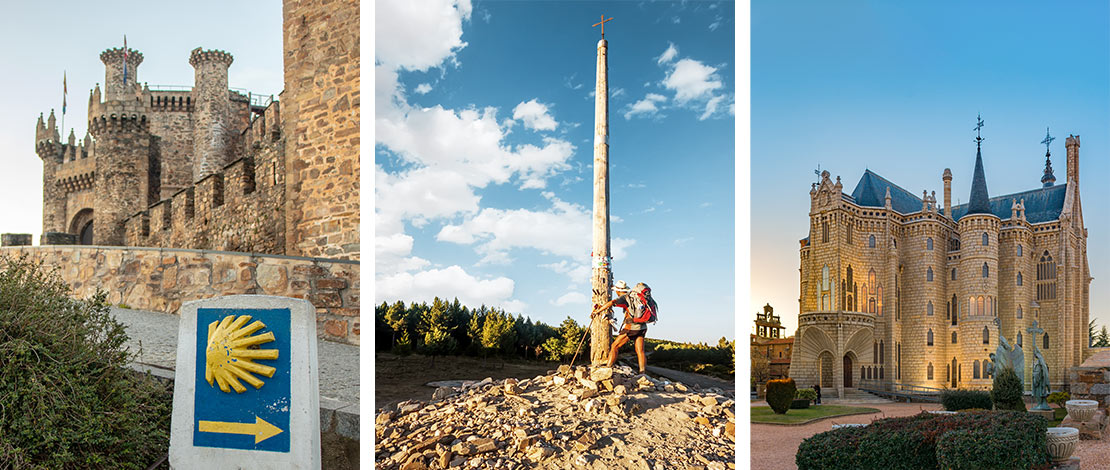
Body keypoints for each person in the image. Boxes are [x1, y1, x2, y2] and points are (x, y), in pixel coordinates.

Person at [592, 281, 653, 374]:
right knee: (640, 351)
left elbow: (612, 302)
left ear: (618, 291)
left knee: (614, 346)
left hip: (631, 327)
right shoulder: (636, 297)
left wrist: (598, 311)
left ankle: (608, 368)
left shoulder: (624, 297)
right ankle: (642, 373)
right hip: (643, 327)